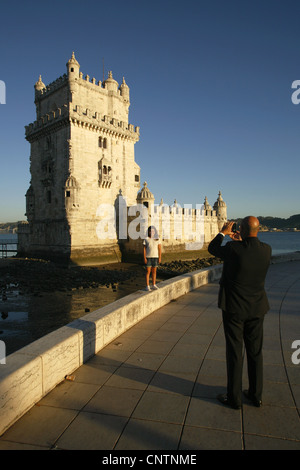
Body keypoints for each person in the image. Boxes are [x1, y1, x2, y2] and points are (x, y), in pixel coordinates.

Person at [208, 216, 271, 410]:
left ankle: (234, 398)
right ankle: (255, 395)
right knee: (255, 352)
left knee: (235, 352)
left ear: (241, 230)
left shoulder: (233, 249)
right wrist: (241, 241)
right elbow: (247, 253)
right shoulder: (266, 250)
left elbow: (212, 248)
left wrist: (223, 233)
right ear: (258, 230)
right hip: (257, 308)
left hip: (234, 309)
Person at [143, 226, 162, 291]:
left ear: (155, 232)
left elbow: (159, 249)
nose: (152, 232)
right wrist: (144, 258)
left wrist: (160, 257)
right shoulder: (146, 239)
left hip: (155, 257)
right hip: (148, 257)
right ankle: (147, 286)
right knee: (148, 271)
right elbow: (144, 249)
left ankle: (154, 284)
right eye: (150, 231)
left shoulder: (157, 239)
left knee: (154, 271)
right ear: (148, 232)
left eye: (153, 231)